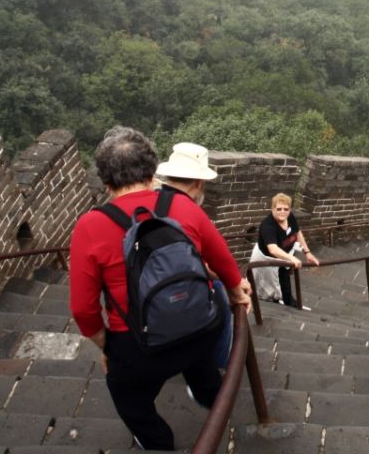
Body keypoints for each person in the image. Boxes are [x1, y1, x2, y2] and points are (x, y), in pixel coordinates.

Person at [69, 127, 252, 451]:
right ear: (153, 170)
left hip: (140, 349)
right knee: (198, 355)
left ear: (106, 181)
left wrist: (108, 347)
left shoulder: (90, 226)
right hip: (200, 327)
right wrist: (236, 290)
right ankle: (211, 396)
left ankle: (158, 442)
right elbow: (223, 261)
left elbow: (83, 310)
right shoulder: (184, 208)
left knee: (129, 397)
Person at [156, 142, 233, 369]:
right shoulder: (194, 213)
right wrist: (237, 287)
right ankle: (221, 363)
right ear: (199, 183)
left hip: (142, 290)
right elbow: (223, 263)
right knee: (221, 294)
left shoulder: (147, 201)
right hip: (179, 296)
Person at [250, 193, 319, 309]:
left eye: (286, 209)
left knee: (284, 281)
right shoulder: (268, 225)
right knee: (264, 284)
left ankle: (288, 302)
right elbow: (273, 249)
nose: (283, 212)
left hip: (284, 257)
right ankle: (276, 302)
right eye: (279, 209)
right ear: (272, 209)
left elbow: (297, 233)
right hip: (268, 259)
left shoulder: (289, 217)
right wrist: (291, 259)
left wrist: (307, 252)